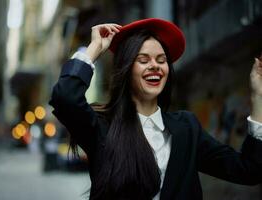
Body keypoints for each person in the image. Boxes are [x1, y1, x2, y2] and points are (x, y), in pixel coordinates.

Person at [49, 18, 262, 200]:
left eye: (162, 60)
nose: (155, 66)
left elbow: (249, 170)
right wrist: (94, 48)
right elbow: (65, 97)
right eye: (143, 60)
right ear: (126, 69)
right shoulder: (103, 126)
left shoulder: (187, 128)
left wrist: (258, 96)